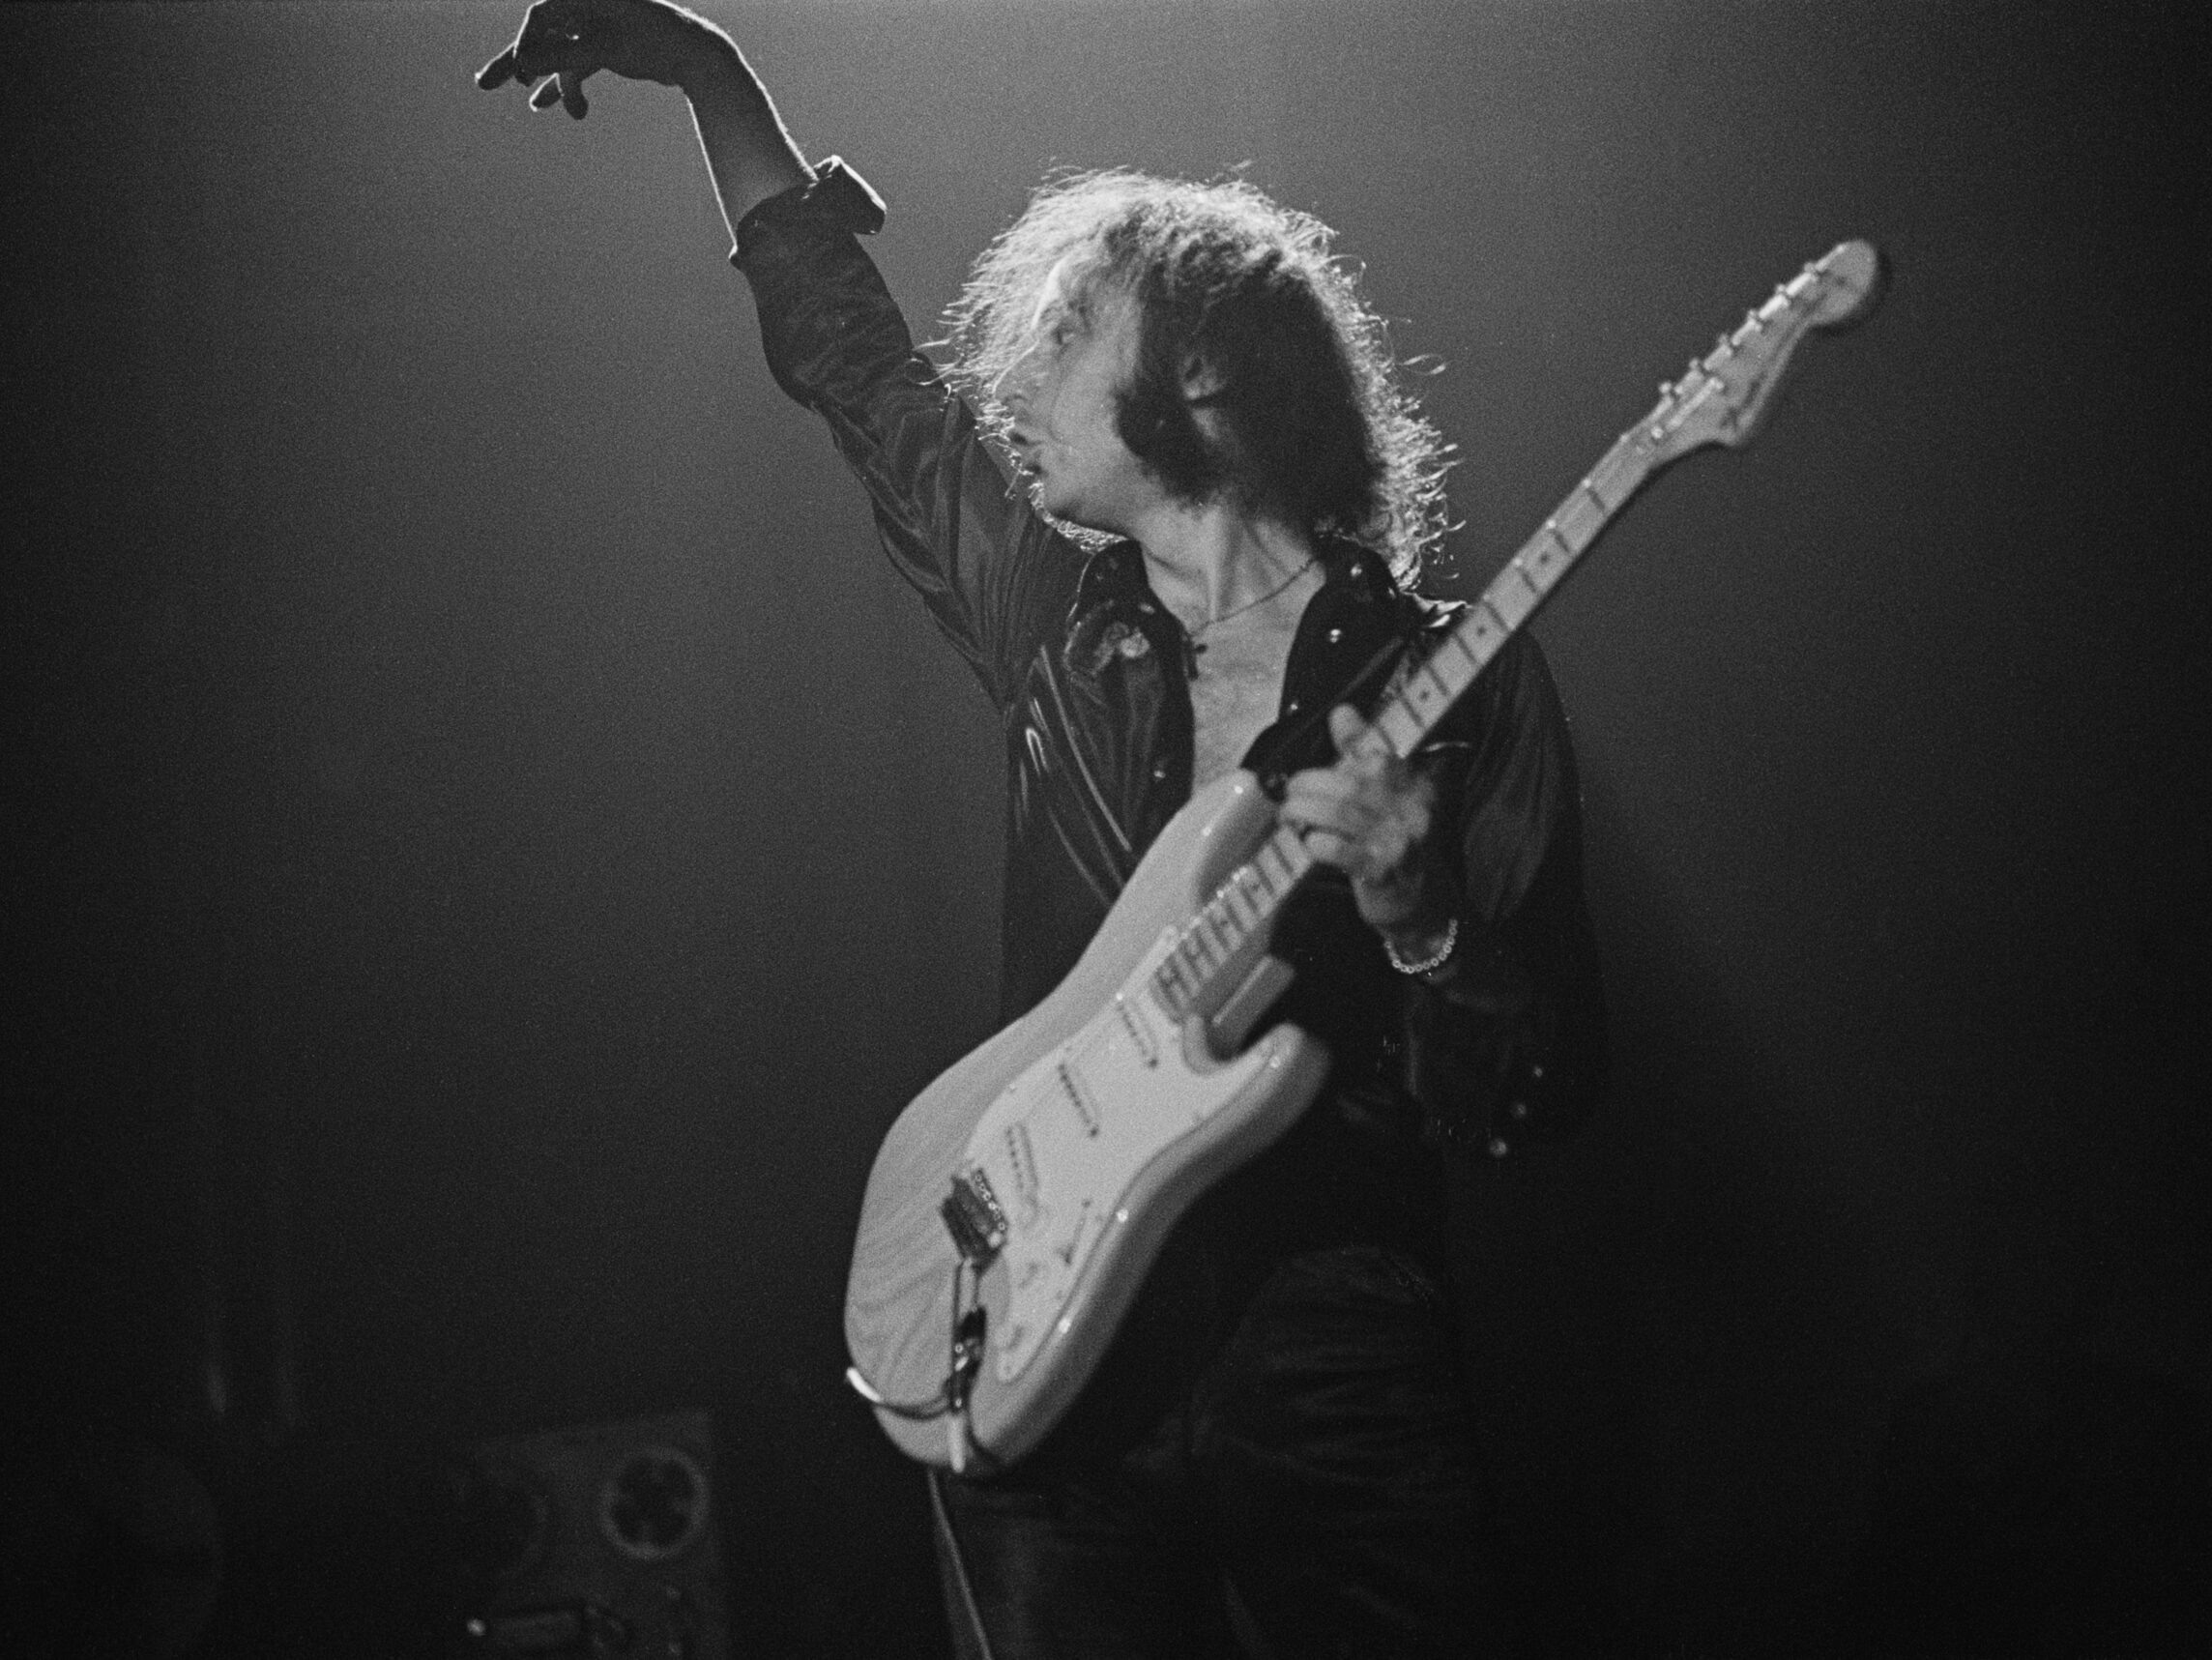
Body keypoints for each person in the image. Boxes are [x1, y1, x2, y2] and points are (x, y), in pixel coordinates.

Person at [480, 5, 1607, 1654]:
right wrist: (705, 69)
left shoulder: (1454, 680)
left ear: (1197, 373)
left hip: (1328, 1343)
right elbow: (855, 360)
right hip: (1038, 1335)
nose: (1021, 375)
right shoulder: (1059, 620)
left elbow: (1551, 1080)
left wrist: (1423, 917)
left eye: (1072, 329)